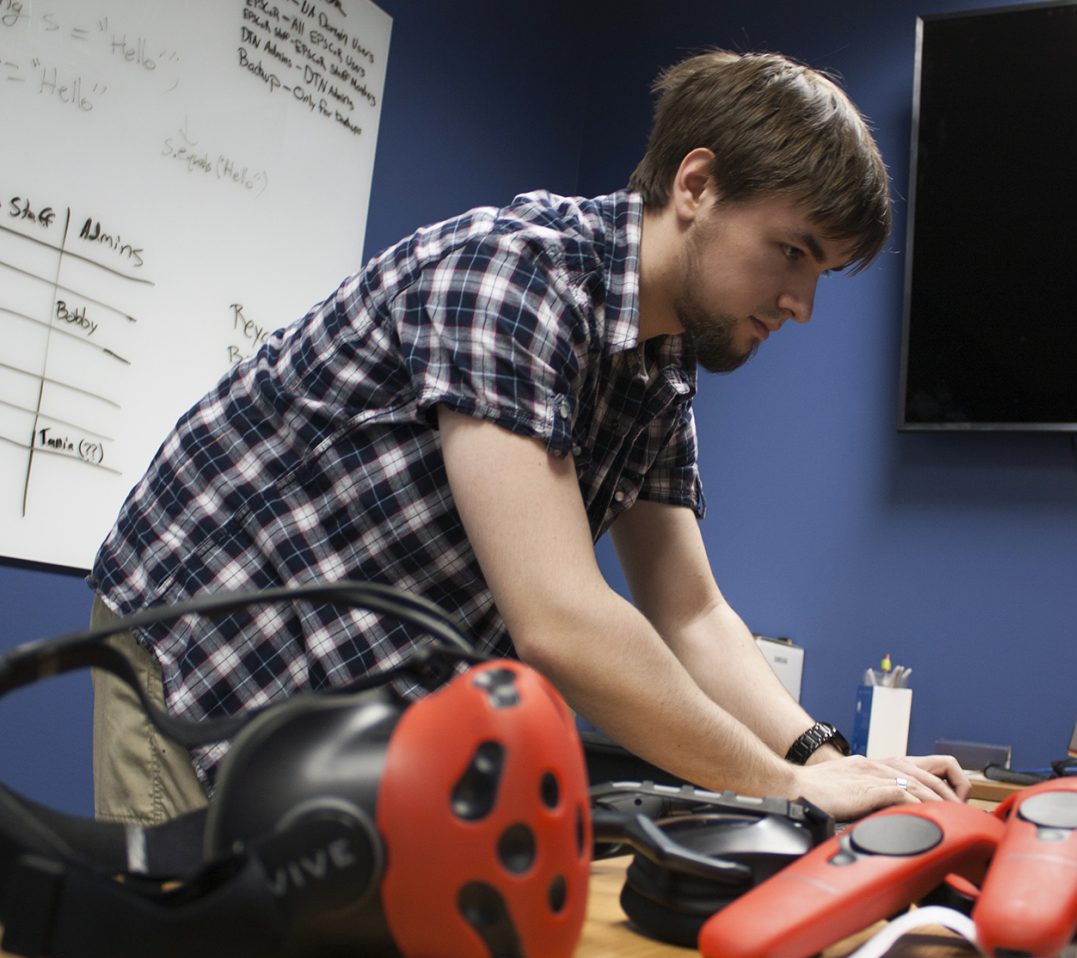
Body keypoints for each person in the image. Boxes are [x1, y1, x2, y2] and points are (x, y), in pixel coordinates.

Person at [88, 49, 969, 826]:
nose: (801, 305)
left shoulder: (661, 365)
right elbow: (558, 619)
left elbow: (692, 612)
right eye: (792, 251)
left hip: (363, 686)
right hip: (212, 642)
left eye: (821, 273)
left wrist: (824, 757)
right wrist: (782, 784)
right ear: (695, 186)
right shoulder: (514, 276)